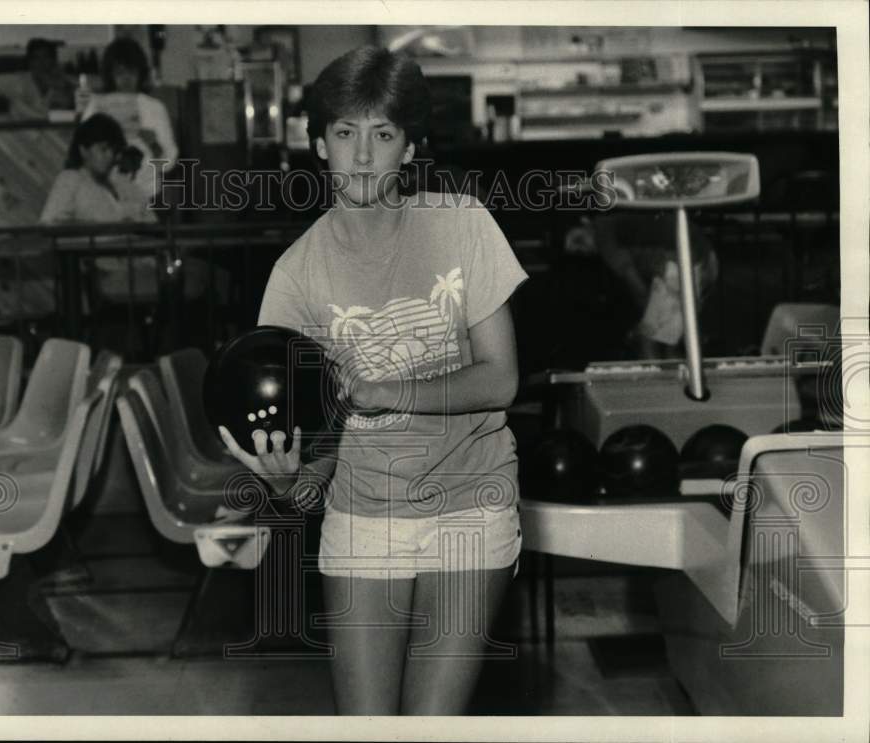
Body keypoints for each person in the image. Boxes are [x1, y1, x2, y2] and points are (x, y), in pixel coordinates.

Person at [217, 46, 528, 715]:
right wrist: (283, 481)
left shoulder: (462, 224)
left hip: (471, 497)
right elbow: (312, 466)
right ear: (317, 142)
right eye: (344, 133)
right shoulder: (296, 277)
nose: (362, 157)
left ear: (410, 147)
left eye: (382, 135)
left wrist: (393, 391)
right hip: (364, 512)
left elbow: (501, 379)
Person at [40, 113, 158, 305]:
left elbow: (151, 220)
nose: (110, 156)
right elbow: (49, 224)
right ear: (84, 150)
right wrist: (104, 230)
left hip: (145, 265)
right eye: (103, 149)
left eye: (114, 150)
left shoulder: (122, 183)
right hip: (106, 275)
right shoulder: (71, 180)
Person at [592, 210, 719, 359]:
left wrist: (645, 317)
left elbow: (637, 286)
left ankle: (658, 379)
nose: (578, 249)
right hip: (703, 257)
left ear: (585, 223)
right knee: (670, 341)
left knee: (648, 339)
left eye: (577, 240)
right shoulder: (619, 217)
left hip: (682, 262)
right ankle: (678, 377)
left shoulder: (603, 235)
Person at [80, 36, 178, 203]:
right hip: (105, 196)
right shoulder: (96, 106)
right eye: (119, 72)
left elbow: (170, 161)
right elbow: (81, 152)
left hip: (147, 195)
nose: (126, 78)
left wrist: (153, 145)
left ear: (141, 73)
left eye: (131, 72)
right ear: (110, 75)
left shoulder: (154, 108)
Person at [0, 38, 75, 120]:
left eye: (46, 57)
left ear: (53, 60)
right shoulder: (17, 81)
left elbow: (74, 111)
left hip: (54, 135)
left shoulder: (64, 82)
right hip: (21, 134)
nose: (41, 63)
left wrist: (62, 87)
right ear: (30, 61)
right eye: (36, 58)